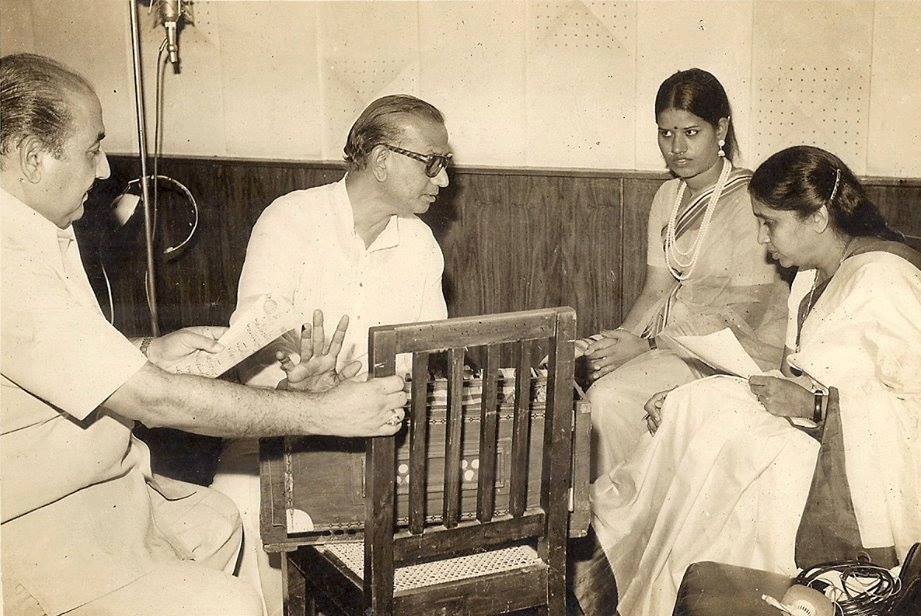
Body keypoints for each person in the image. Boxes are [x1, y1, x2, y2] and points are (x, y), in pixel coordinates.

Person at [0, 53, 407, 616]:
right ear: (30, 160)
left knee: (218, 522)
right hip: (34, 528)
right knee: (227, 604)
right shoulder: (8, 260)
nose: (102, 172)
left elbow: (42, 362)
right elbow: (153, 400)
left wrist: (144, 351)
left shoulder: (39, 229)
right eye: (92, 150)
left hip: (101, 495)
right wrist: (325, 413)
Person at [577, 145, 921, 615]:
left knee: (742, 454)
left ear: (817, 217)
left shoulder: (886, 278)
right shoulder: (808, 279)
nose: (762, 239)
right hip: (818, 438)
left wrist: (818, 409)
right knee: (693, 415)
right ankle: (647, 584)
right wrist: (686, 394)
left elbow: (911, 411)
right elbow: (789, 379)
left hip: (859, 476)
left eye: (771, 223)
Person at [209, 94, 451, 614]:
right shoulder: (291, 219)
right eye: (432, 163)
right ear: (382, 159)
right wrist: (306, 373)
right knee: (239, 509)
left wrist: (371, 390)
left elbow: (425, 359)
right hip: (278, 432)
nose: (443, 180)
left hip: (379, 442)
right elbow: (251, 337)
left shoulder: (422, 245)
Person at [583, 68, 789, 477]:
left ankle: (620, 523)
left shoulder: (750, 200)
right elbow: (655, 290)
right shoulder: (667, 195)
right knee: (596, 385)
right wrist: (617, 345)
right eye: (665, 133)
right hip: (673, 340)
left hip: (733, 351)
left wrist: (645, 348)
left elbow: (744, 316)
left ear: (721, 129)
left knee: (609, 398)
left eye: (690, 133)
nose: (676, 147)